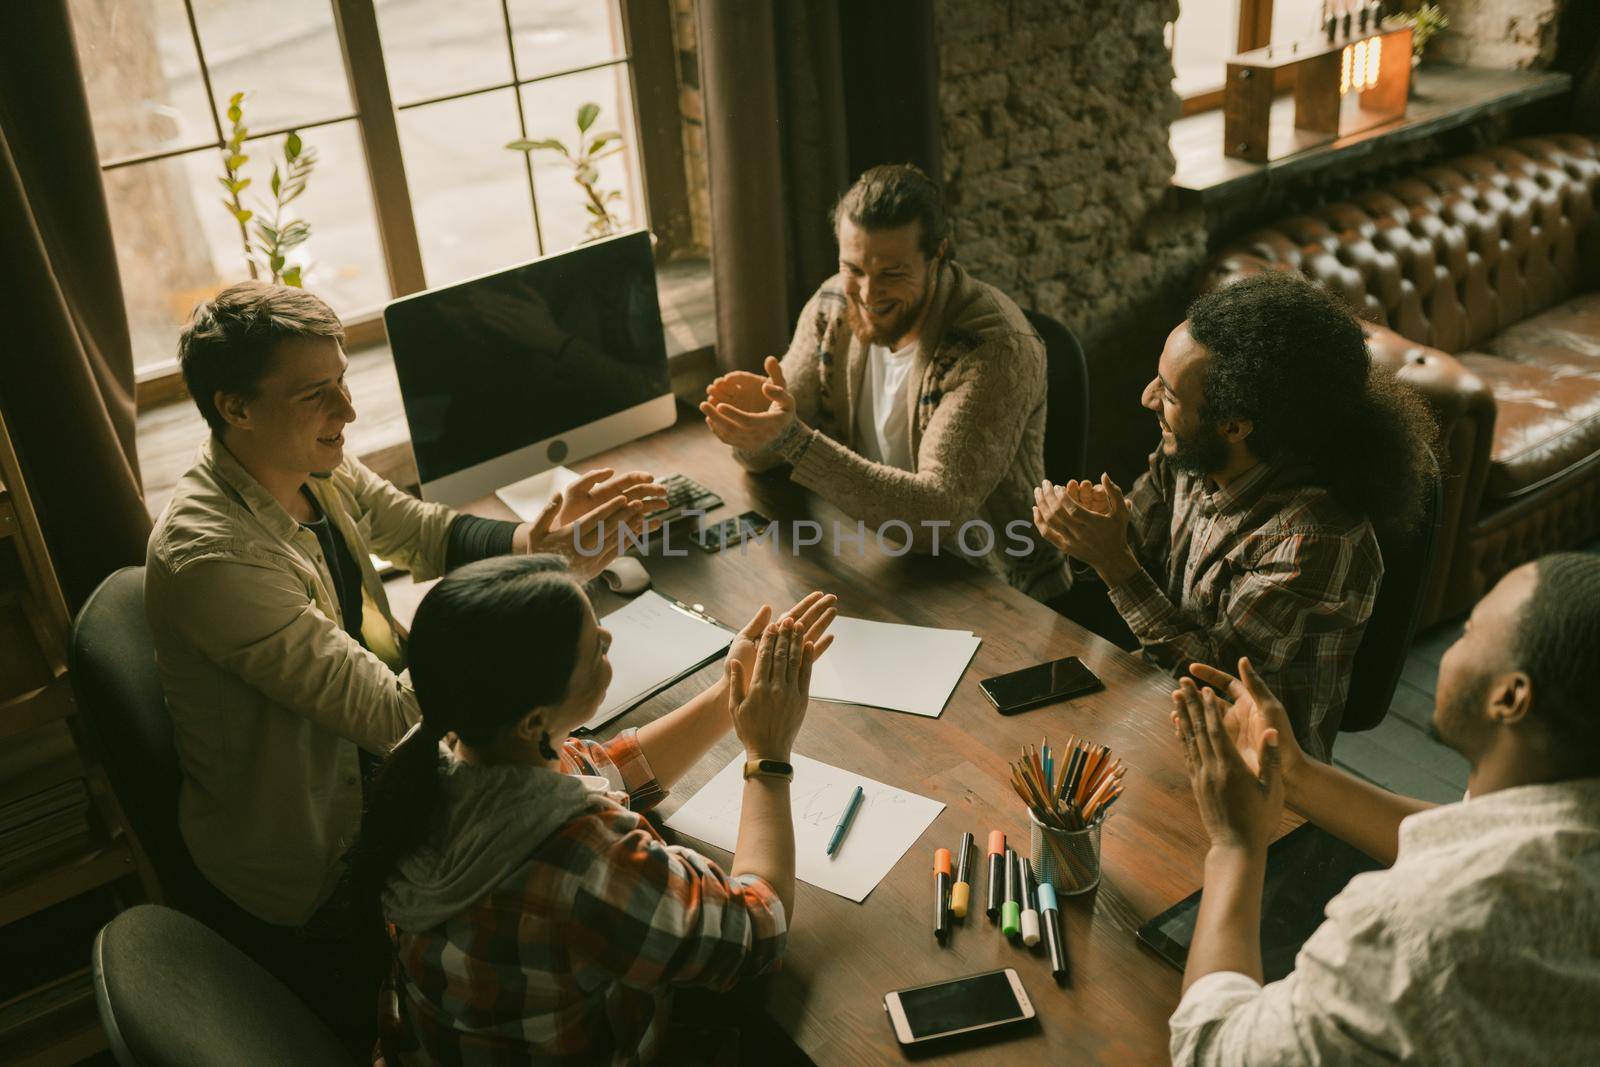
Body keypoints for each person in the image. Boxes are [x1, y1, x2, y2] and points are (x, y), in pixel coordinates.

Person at [143, 282, 665, 1046]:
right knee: (591, 907)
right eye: (318, 393)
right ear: (236, 407)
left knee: (601, 814)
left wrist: (536, 547)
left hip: (396, 780)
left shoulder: (304, 460)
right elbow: (393, 714)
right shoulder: (212, 557)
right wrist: (545, 617)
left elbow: (419, 531)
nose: (348, 412)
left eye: (344, 381)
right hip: (327, 868)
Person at [356, 555, 838, 1065]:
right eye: (593, 649)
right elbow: (760, 930)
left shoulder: (442, 753)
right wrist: (768, 755)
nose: (608, 639)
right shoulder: (584, 860)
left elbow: (603, 767)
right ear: (535, 720)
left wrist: (731, 694)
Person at [1167, 553, 1600, 1065]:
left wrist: (1235, 845)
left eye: (1468, 632)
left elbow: (1214, 1048)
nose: (1452, 645)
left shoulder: (1418, 924)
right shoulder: (1564, 818)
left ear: (1509, 697)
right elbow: (1465, 838)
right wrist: (1297, 776)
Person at [1034, 272, 1435, 758]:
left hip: (1255, 772)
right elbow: (1135, 557)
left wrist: (1113, 562)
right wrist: (1092, 534)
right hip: (1159, 714)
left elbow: (1217, 682)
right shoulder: (1192, 456)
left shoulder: (1316, 541)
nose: (1147, 398)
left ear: (1235, 425)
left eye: (1170, 393)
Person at [698, 163, 1068, 599]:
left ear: (938, 256)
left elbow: (936, 514)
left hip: (992, 583)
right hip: (877, 555)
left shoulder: (995, 348)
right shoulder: (832, 305)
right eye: (854, 269)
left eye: (893, 273)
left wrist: (792, 440)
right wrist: (751, 426)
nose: (869, 294)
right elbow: (763, 454)